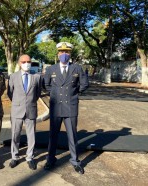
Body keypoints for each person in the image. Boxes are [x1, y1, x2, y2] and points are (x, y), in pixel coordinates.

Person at [43, 42, 89, 174]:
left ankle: (75, 161)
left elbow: (84, 84)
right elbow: (46, 85)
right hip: (56, 106)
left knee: (72, 135)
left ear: (70, 54)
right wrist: (57, 92)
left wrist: (73, 93)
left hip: (71, 106)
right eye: (61, 52)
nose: (64, 54)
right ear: (57, 54)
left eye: (67, 52)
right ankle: (50, 159)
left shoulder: (77, 68)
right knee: (53, 135)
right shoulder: (51, 69)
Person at [7, 54, 42, 170]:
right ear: (19, 63)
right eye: (23, 61)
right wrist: (18, 102)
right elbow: (10, 93)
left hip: (31, 109)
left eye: (28, 61)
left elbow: (37, 94)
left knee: (31, 135)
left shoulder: (36, 77)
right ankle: (14, 157)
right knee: (15, 135)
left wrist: (29, 102)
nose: (26, 63)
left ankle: (30, 157)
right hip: (17, 109)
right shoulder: (13, 77)